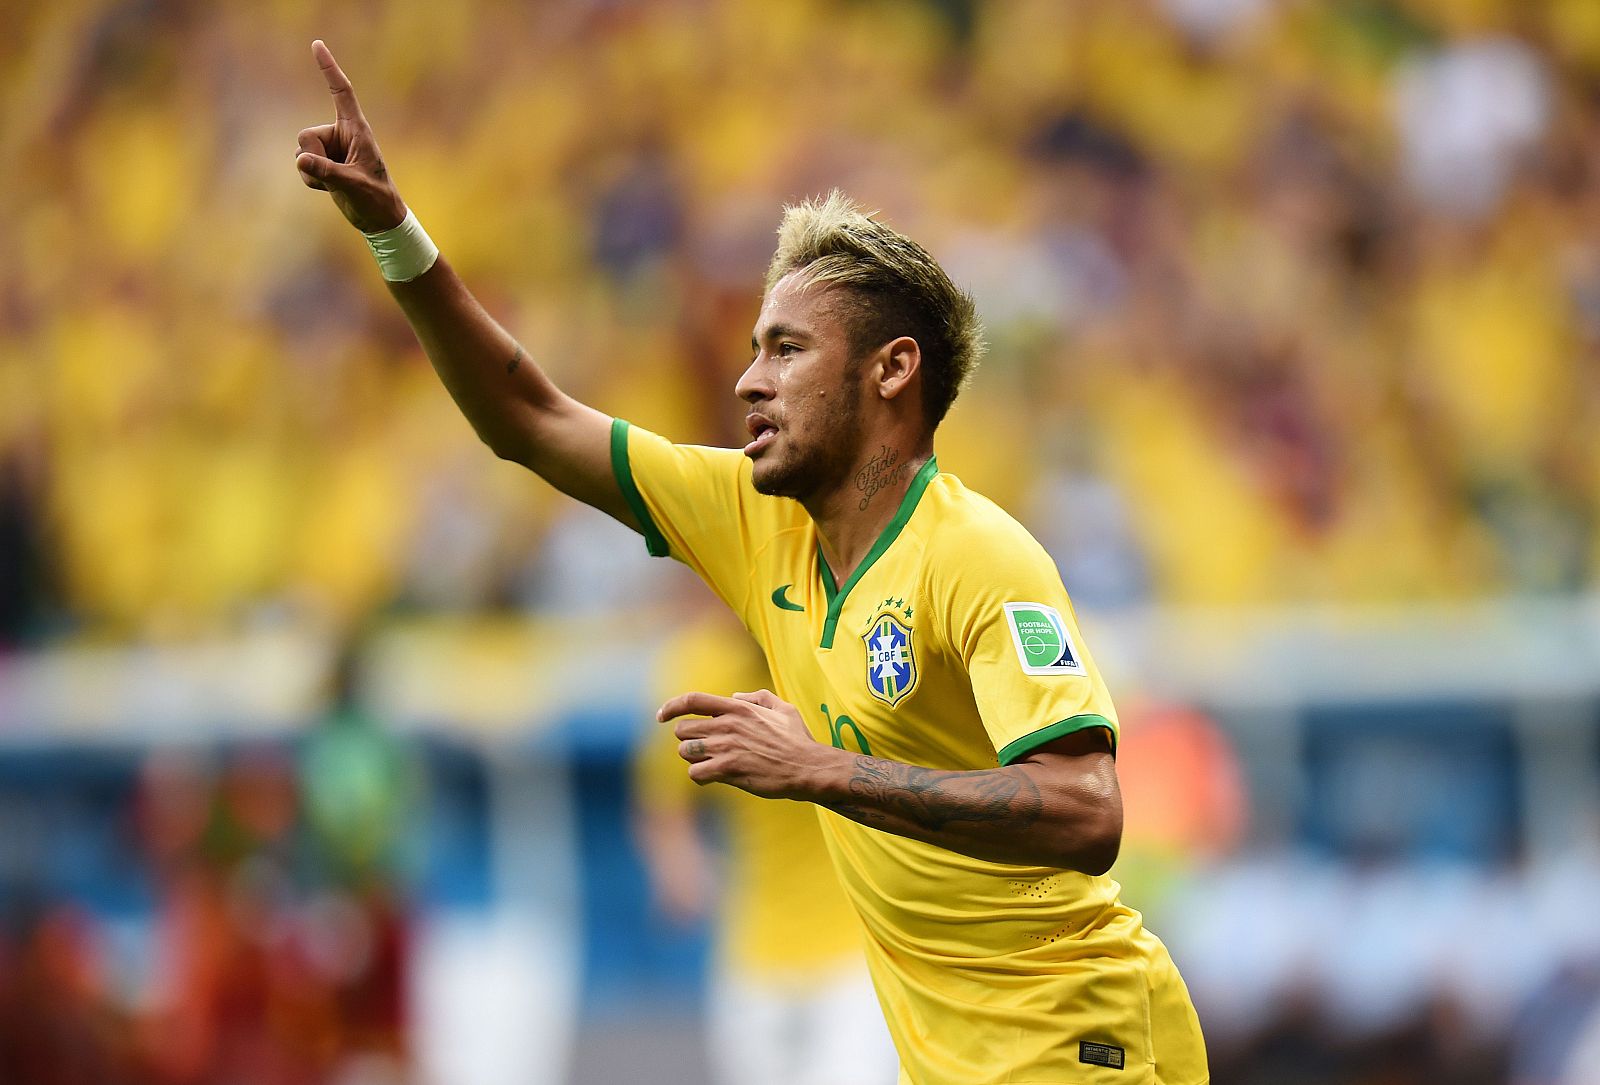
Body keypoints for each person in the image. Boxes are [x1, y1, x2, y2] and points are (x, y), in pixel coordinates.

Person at [295, 39, 1208, 1083]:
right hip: (943, 1053)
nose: (747, 381)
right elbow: (528, 417)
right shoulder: (754, 519)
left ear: (891, 371)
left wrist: (823, 769)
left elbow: (1088, 808)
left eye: (786, 349)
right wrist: (393, 233)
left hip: (1074, 1042)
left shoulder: (980, 557)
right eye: (753, 347)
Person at [632, 578, 898, 1085]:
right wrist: (679, 863)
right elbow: (663, 797)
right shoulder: (700, 665)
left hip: (862, 949)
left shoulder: (854, 656)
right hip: (755, 953)